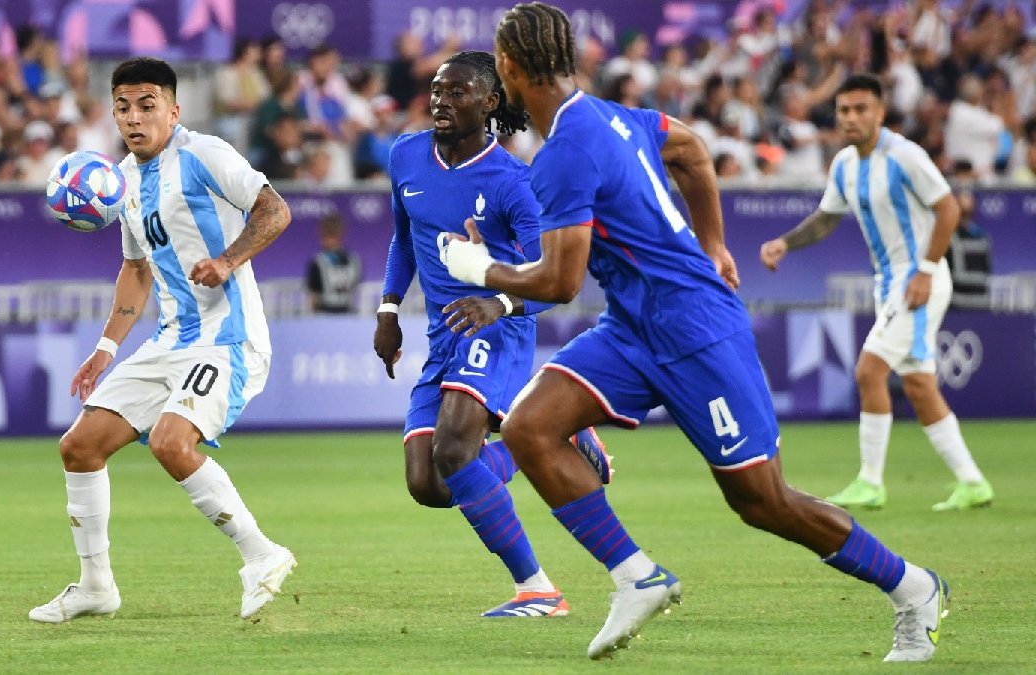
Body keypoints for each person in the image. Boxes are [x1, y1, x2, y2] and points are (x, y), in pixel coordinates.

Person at [440, 4, 948, 662]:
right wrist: (713, 241)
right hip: (633, 327)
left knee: (763, 501)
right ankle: (637, 577)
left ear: (508, 66)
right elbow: (690, 149)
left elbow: (562, 282)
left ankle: (913, 587)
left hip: (696, 331)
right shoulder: (614, 118)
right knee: (531, 426)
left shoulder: (566, 149)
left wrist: (478, 268)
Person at [28, 57, 296, 624]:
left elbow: (275, 211)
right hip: (171, 341)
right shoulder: (122, 182)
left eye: (147, 105)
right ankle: (96, 586)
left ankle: (262, 555)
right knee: (80, 446)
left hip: (228, 338)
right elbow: (136, 270)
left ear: (173, 110)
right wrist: (105, 349)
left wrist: (228, 260)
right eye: (123, 107)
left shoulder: (205, 155)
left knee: (172, 443)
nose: (134, 117)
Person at [373, 50, 612, 619]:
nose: (441, 102)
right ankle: (551, 436)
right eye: (437, 90)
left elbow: (557, 281)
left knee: (455, 449)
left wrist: (498, 301)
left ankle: (538, 589)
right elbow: (404, 238)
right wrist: (388, 307)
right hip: (443, 333)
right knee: (429, 484)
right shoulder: (406, 155)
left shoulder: (514, 183)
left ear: (489, 103)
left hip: (499, 327)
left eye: (457, 93)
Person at [760, 73, 993, 512]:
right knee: (919, 385)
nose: (851, 117)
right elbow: (827, 218)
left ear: (880, 112)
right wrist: (785, 243)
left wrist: (925, 271)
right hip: (889, 283)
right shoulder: (845, 164)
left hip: (918, 279)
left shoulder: (905, 156)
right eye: (844, 110)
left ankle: (870, 482)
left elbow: (948, 208)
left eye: (860, 109)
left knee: (869, 371)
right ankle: (973, 482)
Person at [945, 188, 992, 310]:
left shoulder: (982, 237)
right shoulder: (946, 237)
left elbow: (986, 269)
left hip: (980, 302)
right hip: (954, 304)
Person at [306, 212, 361, 313]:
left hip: (328, 313)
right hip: (344, 312)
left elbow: (313, 296)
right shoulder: (353, 259)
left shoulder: (318, 261)